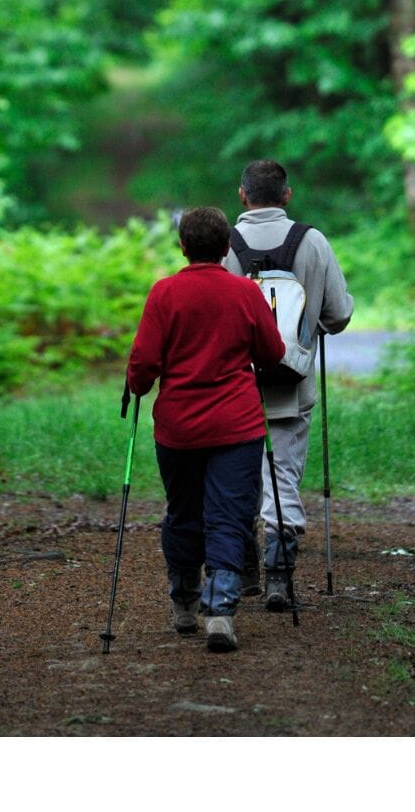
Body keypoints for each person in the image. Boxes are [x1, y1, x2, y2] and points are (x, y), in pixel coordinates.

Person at [127, 206, 285, 652]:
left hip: (178, 428)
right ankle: (220, 613)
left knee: (183, 513)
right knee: (229, 516)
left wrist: (137, 385)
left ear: (183, 246)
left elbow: (143, 363)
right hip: (237, 425)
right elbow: (271, 353)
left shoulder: (164, 293)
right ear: (224, 249)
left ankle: (183, 603)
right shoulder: (245, 292)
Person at [223, 160, 354, 611]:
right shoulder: (312, 242)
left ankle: (242, 574)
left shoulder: (225, 247)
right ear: (287, 195)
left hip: (235, 386)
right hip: (291, 384)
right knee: (281, 477)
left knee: (237, 478)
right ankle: (280, 578)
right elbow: (337, 317)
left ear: (242, 195)